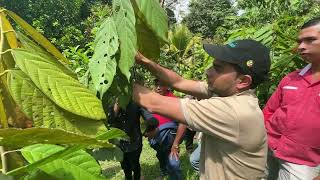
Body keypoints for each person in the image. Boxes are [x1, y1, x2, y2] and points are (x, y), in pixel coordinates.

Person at [133, 39, 271, 179]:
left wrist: (116, 75)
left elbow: (153, 103)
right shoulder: (228, 92)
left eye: (218, 68)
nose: (208, 71)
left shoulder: (234, 111)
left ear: (243, 81)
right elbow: (178, 82)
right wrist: (143, 60)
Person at [263, 17, 320, 180]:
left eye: (310, 40)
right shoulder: (291, 79)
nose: (301, 47)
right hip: (269, 148)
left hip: (303, 163)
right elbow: (269, 111)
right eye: (300, 41)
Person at [146, 79, 185, 180]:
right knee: (161, 156)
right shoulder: (153, 99)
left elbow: (183, 122)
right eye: (156, 85)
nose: (158, 87)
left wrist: (175, 144)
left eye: (161, 85)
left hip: (169, 139)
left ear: (168, 87)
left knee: (174, 164)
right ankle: (165, 171)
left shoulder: (174, 101)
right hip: (157, 140)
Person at [108, 100, 144, 180]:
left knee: (135, 166)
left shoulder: (136, 102)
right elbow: (110, 120)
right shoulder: (111, 103)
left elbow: (146, 114)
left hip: (134, 143)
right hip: (120, 145)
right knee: (125, 167)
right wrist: (117, 104)